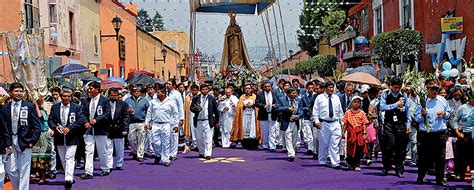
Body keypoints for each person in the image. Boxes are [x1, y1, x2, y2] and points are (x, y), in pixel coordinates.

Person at [2, 82, 41, 189]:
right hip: (10, 142)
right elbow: (3, 127)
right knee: (11, 169)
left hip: (25, 142)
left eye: (20, 91)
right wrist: (6, 143)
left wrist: (32, 141)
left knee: (24, 169)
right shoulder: (5, 108)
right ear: (10, 93)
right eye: (16, 91)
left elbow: (37, 127)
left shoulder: (29, 106)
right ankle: (17, 187)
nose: (19, 93)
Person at [414, 84, 452, 186]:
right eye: (433, 89)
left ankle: (440, 179)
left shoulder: (442, 100)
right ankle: (420, 177)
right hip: (425, 133)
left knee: (440, 157)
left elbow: (449, 113)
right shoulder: (422, 101)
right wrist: (422, 115)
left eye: (436, 89)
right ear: (428, 90)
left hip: (439, 133)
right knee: (423, 156)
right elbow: (416, 118)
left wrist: (445, 114)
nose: (435, 92)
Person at [48, 88, 86, 188]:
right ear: (61, 97)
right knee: (63, 158)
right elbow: (50, 120)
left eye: (68, 96)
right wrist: (55, 127)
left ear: (71, 97)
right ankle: (68, 175)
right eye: (64, 96)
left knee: (70, 157)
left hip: (72, 136)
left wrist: (70, 128)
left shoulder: (77, 107)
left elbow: (81, 120)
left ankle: (68, 178)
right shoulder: (55, 107)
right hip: (59, 136)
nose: (66, 98)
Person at [379, 76, 411, 178]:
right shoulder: (385, 95)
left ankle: (399, 169)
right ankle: (386, 165)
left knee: (400, 147)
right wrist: (395, 104)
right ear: (390, 86)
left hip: (401, 123)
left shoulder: (404, 95)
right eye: (395, 87)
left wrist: (408, 124)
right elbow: (383, 107)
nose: (397, 89)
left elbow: (408, 110)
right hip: (389, 123)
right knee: (389, 145)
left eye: (398, 87)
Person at [80, 81, 112, 179]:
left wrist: (96, 120)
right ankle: (88, 171)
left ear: (97, 89)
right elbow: (83, 113)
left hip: (100, 128)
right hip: (89, 130)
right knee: (88, 150)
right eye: (88, 89)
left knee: (102, 150)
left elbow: (107, 114)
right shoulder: (86, 100)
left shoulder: (105, 100)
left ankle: (105, 168)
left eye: (91, 88)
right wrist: (86, 122)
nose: (89, 91)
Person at [145, 83, 178, 167]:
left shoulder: (170, 101)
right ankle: (158, 155)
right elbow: (149, 113)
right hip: (155, 124)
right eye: (157, 92)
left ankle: (166, 159)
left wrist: (176, 125)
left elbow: (175, 114)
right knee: (155, 142)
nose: (157, 93)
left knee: (166, 143)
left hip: (166, 124)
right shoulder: (153, 102)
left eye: (159, 92)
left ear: (163, 93)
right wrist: (147, 123)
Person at [312, 81, 344, 169]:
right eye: (329, 87)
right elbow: (315, 111)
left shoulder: (336, 97)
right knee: (324, 143)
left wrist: (342, 123)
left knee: (335, 143)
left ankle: (335, 163)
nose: (331, 89)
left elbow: (340, 112)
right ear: (325, 88)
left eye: (332, 87)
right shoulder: (320, 98)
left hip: (335, 123)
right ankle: (322, 160)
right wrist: (317, 122)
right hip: (324, 123)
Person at [190, 84, 219, 159]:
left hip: (208, 121)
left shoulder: (211, 98)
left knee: (208, 138)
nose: (205, 91)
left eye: (206, 89)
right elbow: (191, 108)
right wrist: (195, 109)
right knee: (199, 138)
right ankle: (201, 152)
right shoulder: (196, 98)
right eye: (203, 89)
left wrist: (216, 121)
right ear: (200, 90)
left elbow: (216, 111)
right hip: (198, 120)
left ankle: (208, 153)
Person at [342, 96, 369, 171]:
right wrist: (343, 133)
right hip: (351, 134)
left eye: (358, 102)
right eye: (355, 102)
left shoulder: (362, 113)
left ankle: (357, 164)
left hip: (359, 134)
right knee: (350, 149)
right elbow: (345, 123)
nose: (356, 104)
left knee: (358, 149)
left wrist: (364, 133)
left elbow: (364, 124)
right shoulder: (348, 112)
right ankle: (350, 163)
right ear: (351, 103)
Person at [230, 84, 262, 149]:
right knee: (245, 128)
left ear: (251, 89)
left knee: (253, 129)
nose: (247, 90)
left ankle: (254, 143)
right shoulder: (242, 97)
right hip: (244, 116)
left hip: (253, 116)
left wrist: (252, 105)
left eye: (249, 88)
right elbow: (238, 107)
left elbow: (258, 106)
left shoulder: (254, 97)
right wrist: (244, 106)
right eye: (246, 88)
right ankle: (245, 143)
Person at [31, 98, 53, 185]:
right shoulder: (32, 112)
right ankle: (38, 175)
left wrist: (36, 105)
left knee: (42, 158)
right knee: (35, 158)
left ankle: (43, 177)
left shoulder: (42, 112)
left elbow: (40, 116)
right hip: (35, 136)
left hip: (43, 136)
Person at [277, 88, 303, 162]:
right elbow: (278, 108)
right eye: (294, 93)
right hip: (287, 121)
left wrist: (298, 116)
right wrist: (287, 109)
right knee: (288, 137)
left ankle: (293, 149)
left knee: (295, 138)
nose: (295, 94)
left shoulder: (298, 100)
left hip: (295, 121)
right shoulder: (282, 99)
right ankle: (291, 154)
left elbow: (301, 109)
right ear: (289, 94)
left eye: (296, 93)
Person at [124, 86, 149, 162]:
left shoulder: (145, 101)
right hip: (131, 122)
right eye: (135, 91)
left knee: (141, 139)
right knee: (131, 139)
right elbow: (123, 111)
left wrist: (147, 122)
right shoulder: (127, 100)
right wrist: (127, 111)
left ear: (140, 92)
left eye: (138, 91)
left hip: (142, 122)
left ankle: (140, 155)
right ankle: (135, 151)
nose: (136, 92)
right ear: (132, 92)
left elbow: (148, 112)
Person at [106, 88, 129, 170]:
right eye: (112, 95)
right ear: (109, 95)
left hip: (119, 127)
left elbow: (126, 117)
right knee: (108, 147)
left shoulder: (123, 104)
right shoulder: (105, 103)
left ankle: (119, 163)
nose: (113, 97)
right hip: (108, 127)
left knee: (119, 147)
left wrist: (125, 129)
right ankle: (109, 164)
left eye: (115, 95)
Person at [452, 92, 473, 183]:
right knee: (462, 156)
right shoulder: (463, 108)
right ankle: (461, 174)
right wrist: (457, 132)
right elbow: (455, 120)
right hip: (466, 134)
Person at [255, 82, 278, 151]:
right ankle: (265, 145)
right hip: (263, 114)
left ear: (271, 87)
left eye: (269, 86)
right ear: (263, 87)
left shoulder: (274, 94)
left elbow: (278, 102)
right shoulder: (259, 94)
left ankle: (272, 146)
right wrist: (263, 106)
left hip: (272, 113)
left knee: (272, 131)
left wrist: (275, 105)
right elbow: (257, 103)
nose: (267, 88)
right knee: (265, 131)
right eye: (266, 86)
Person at [165, 79, 185, 161]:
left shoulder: (177, 94)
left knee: (174, 136)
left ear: (173, 85)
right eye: (167, 84)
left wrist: (181, 118)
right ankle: (167, 152)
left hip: (174, 118)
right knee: (166, 136)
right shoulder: (164, 93)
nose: (167, 85)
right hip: (165, 118)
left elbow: (180, 106)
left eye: (169, 84)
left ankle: (173, 153)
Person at [300, 82, 316, 156]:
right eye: (309, 88)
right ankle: (310, 148)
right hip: (306, 117)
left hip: (315, 117)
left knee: (315, 134)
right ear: (307, 88)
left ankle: (315, 149)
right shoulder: (303, 97)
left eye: (312, 88)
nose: (311, 89)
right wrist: (307, 109)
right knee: (309, 133)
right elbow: (301, 107)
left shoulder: (316, 96)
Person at [183, 84, 200, 150]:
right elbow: (185, 107)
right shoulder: (188, 97)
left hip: (199, 115)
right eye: (193, 90)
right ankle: (194, 143)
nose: (194, 92)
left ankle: (199, 144)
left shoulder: (200, 97)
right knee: (192, 129)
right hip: (190, 115)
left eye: (196, 90)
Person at [0, 97, 10, 190]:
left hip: (1, 144)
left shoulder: (2, 110)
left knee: (1, 172)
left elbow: (4, 129)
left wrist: (7, 144)